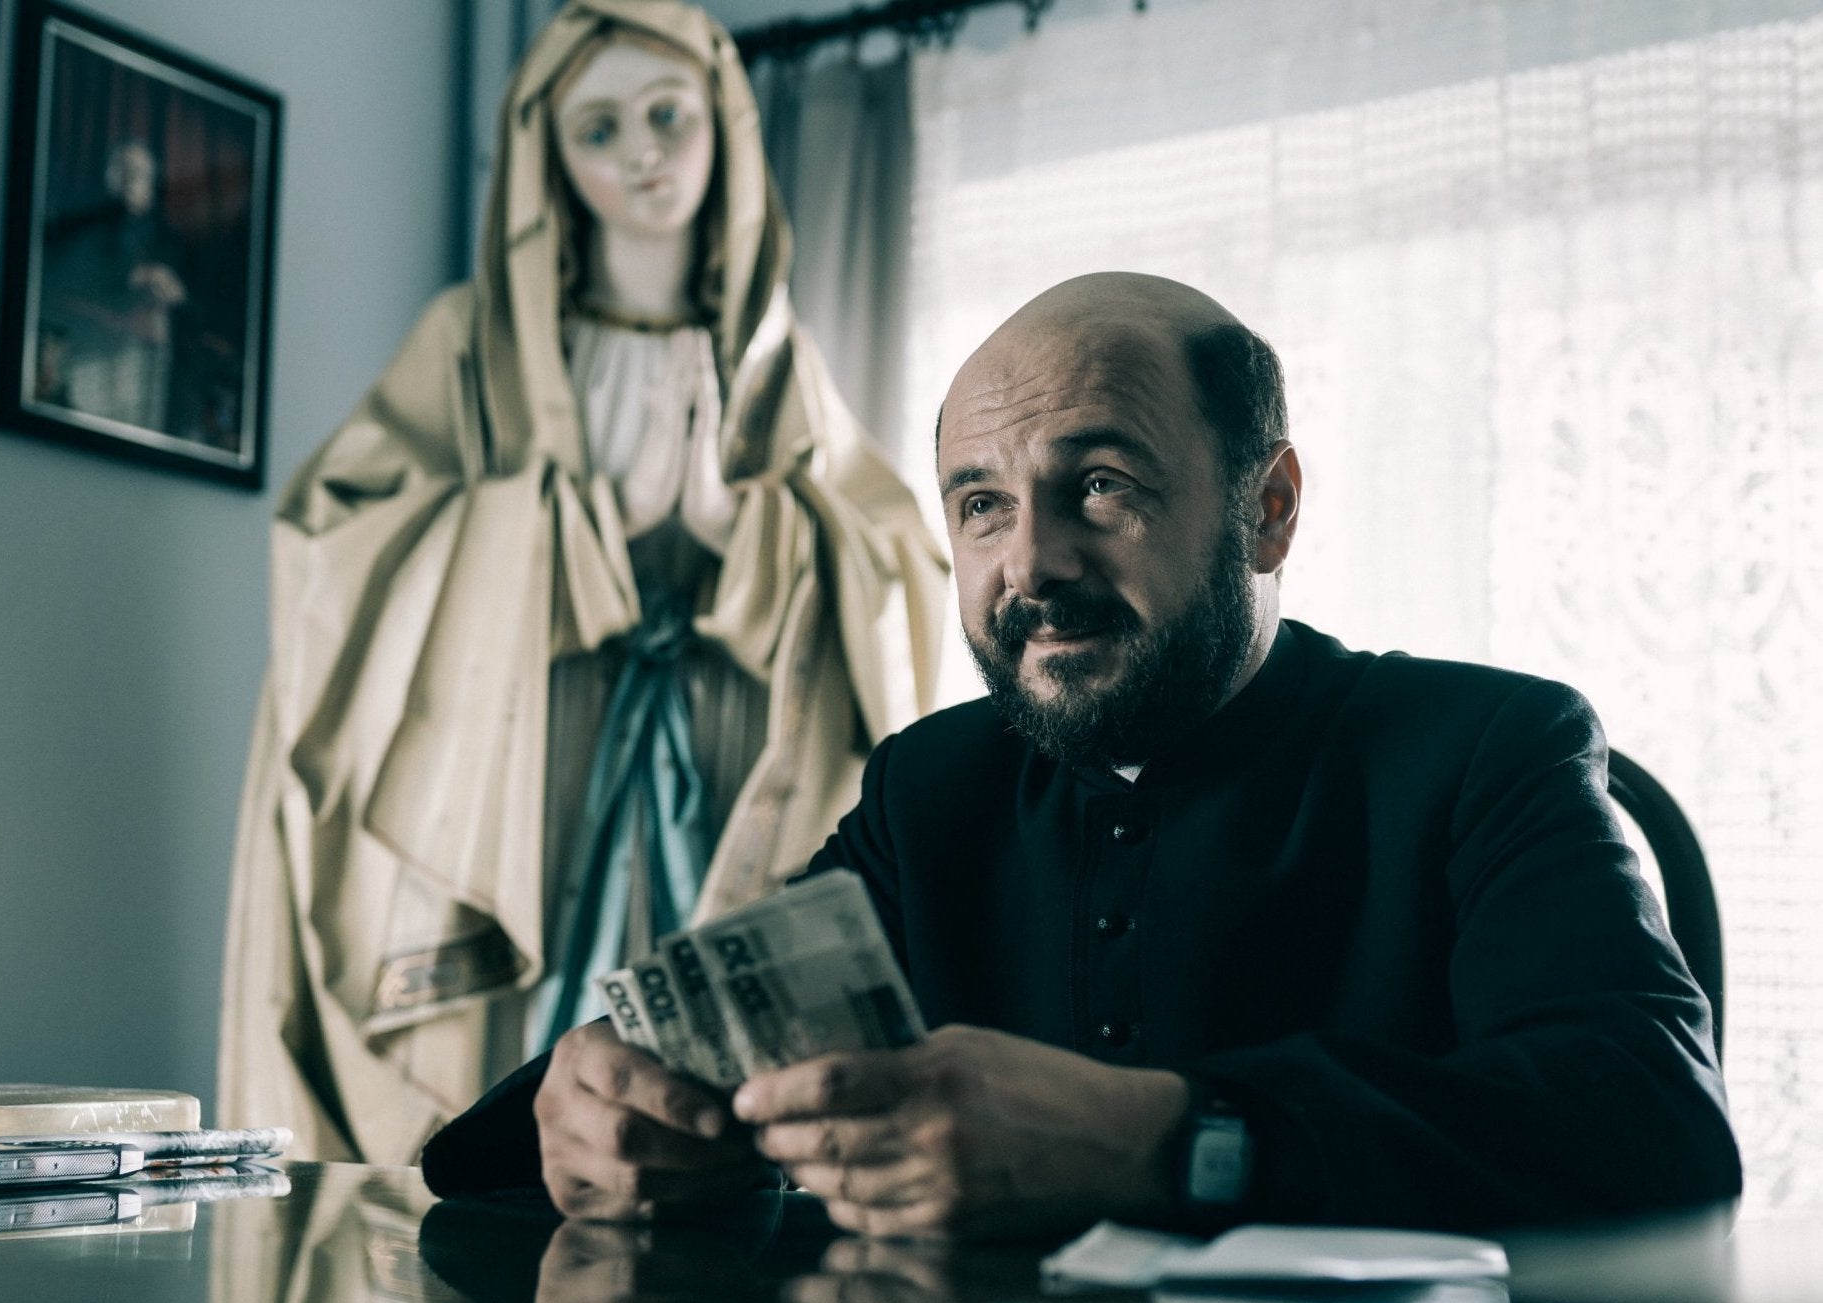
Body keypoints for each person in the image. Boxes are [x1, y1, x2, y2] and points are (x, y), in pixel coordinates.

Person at [420, 271, 1743, 1238]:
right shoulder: (929, 787)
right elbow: (657, 1065)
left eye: (1101, 486)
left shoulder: (1487, 749)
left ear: (1266, 509)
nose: (1030, 567)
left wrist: (1167, 1137)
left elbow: (1654, 1131)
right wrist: (592, 1104)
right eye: (981, 505)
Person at [218, 0, 947, 1165]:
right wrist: (534, 536)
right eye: (598, 129)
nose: (643, 154)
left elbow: (888, 555)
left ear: (724, 129)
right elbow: (337, 539)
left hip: (720, 757)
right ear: (547, 154)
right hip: (525, 771)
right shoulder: (473, 344)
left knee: (695, 1077)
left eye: (668, 116)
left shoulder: (773, 361)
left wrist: (755, 531)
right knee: (527, 1053)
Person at [35, 137, 188, 431]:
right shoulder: (79, 229)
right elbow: (62, 282)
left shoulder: (171, 242)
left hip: (146, 358)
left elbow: (188, 306)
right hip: (91, 352)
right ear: (109, 175)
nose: (131, 180)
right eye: (123, 170)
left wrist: (175, 294)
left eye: (140, 173)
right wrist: (131, 278)